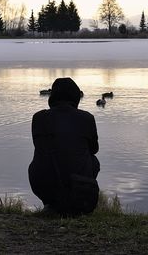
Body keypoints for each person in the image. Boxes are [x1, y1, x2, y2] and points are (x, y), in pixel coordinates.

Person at [29, 77, 100, 215]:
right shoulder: (87, 118)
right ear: (75, 96)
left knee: (45, 156)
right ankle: (79, 199)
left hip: (43, 183)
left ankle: (51, 204)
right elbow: (94, 149)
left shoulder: (38, 118)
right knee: (93, 160)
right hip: (78, 183)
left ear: (53, 96)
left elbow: (39, 145)